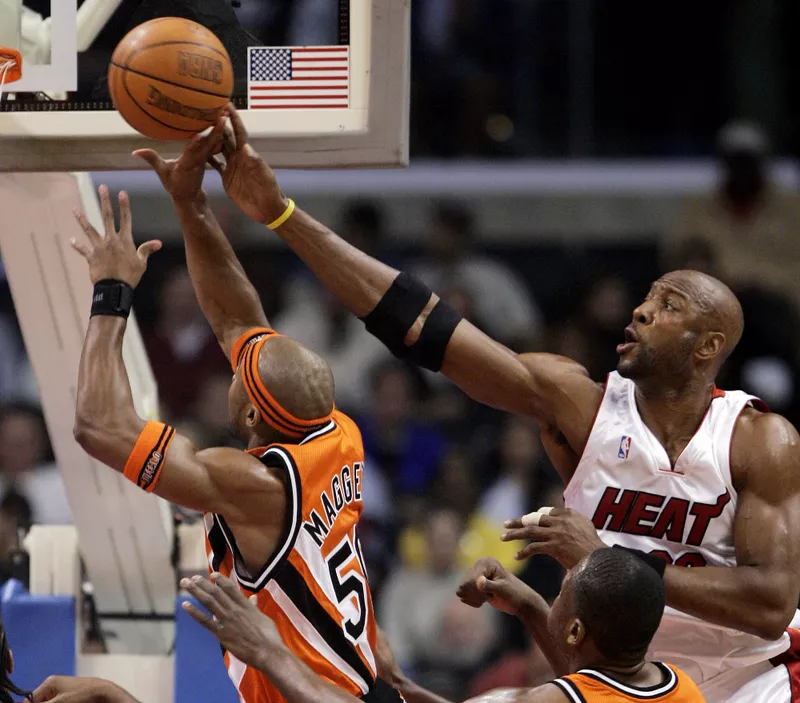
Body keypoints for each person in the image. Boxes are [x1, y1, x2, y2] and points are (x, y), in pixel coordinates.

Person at [192, 104, 800, 702]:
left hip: (754, 679)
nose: (643, 310)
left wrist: (611, 559)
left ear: (709, 347)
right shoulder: (579, 405)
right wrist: (282, 214)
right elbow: (424, 328)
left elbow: (771, 605)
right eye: (647, 296)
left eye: (670, 306)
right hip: (626, 678)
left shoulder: (757, 440)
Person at [69, 179, 391, 701]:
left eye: (240, 372)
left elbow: (98, 424)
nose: (232, 357)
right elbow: (237, 316)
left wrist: (111, 289)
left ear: (246, 414)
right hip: (358, 684)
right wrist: (188, 200)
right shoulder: (338, 431)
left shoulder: (254, 484)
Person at [178, 549, 705, 702]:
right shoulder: (683, 690)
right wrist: (525, 605)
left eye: (560, 597)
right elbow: (593, 665)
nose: (551, 600)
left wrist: (265, 649)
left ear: (574, 633)